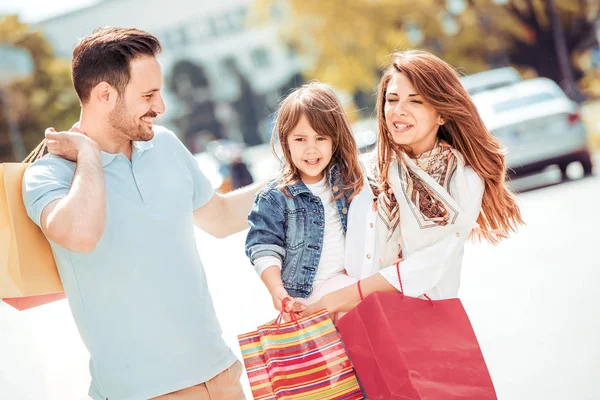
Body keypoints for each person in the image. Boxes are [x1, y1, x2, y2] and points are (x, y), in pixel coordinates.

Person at [22, 27, 262, 400]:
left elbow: (221, 217)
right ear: (104, 94)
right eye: (148, 95)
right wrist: (88, 155)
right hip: (144, 393)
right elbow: (80, 235)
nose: (161, 107)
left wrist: (297, 177)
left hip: (221, 376)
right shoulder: (49, 174)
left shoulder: (165, 144)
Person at [299, 50, 524, 318]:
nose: (398, 111)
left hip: (421, 324)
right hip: (353, 319)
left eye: (415, 101)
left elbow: (426, 265)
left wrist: (341, 297)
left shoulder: (464, 181)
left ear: (441, 114)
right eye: (391, 99)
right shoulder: (364, 172)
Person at [244, 82, 363, 320]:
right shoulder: (276, 195)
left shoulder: (349, 179)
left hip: (348, 281)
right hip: (305, 296)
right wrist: (277, 289)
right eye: (300, 139)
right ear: (285, 141)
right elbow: (263, 246)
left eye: (320, 138)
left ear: (334, 140)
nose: (311, 149)